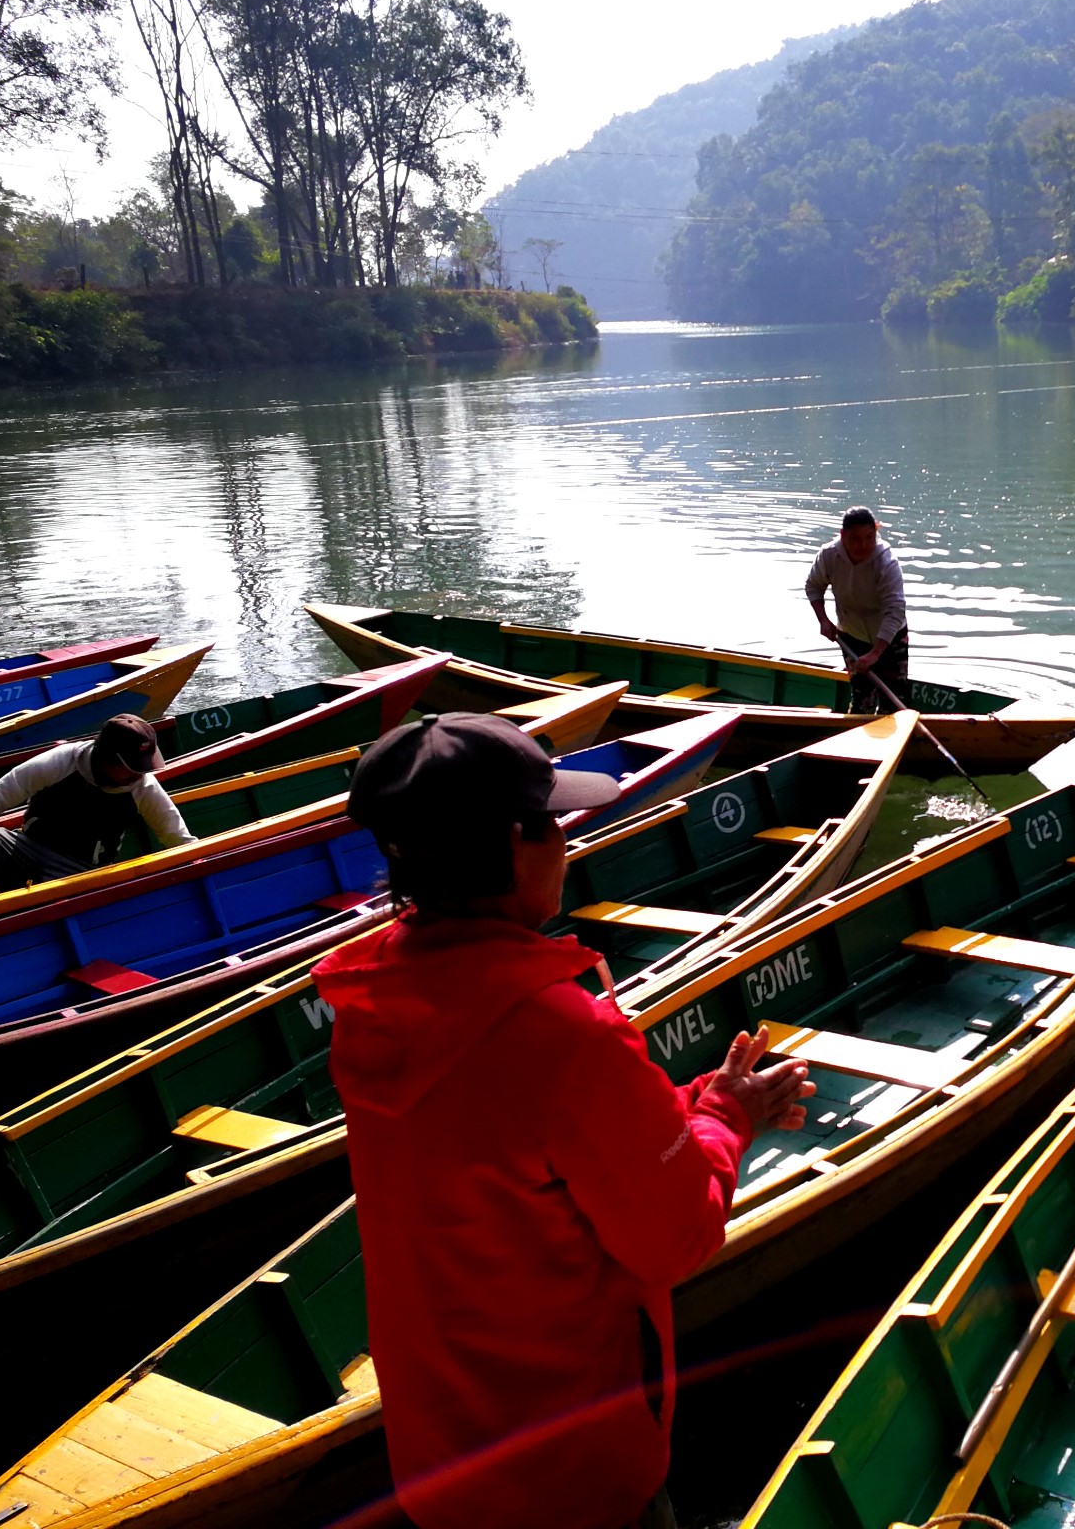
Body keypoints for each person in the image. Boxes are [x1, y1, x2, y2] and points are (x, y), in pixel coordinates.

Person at [312, 712, 812, 1529]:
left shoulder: (373, 1002)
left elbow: (513, 1156)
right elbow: (675, 1235)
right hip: (574, 1472)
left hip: (442, 1457)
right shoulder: (562, 1036)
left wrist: (679, 1109)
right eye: (551, 825)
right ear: (512, 846)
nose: (566, 844)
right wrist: (726, 1114)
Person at [0, 713, 196, 897]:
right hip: (28, 846)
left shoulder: (143, 787)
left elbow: (178, 839)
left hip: (84, 871)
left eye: (144, 767)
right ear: (105, 757)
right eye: (132, 767)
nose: (140, 775)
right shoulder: (60, 763)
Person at [805, 505, 910, 713]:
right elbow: (813, 586)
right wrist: (823, 620)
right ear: (842, 535)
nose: (863, 545)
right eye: (855, 539)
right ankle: (857, 737)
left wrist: (875, 652)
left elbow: (895, 610)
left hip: (890, 638)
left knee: (894, 702)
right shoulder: (829, 555)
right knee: (862, 698)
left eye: (869, 537)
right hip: (851, 636)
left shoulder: (886, 562)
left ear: (876, 532)